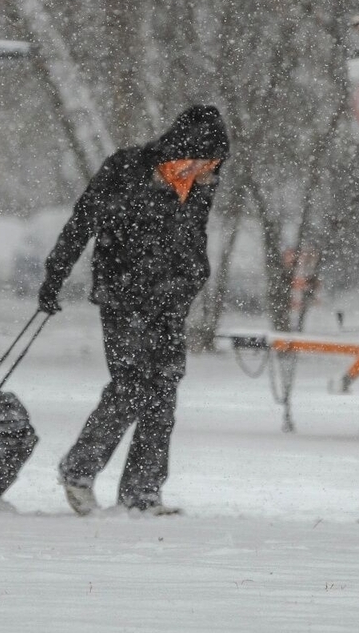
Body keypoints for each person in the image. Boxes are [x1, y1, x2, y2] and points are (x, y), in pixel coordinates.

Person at [37, 105, 230, 516]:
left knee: (163, 392)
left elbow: (195, 237)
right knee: (132, 385)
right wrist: (55, 275)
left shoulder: (198, 187)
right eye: (208, 162)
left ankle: (142, 495)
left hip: (170, 300)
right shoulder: (126, 168)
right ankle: (79, 470)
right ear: (186, 152)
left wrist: (195, 275)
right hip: (124, 296)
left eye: (215, 166)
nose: (212, 173)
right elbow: (82, 221)